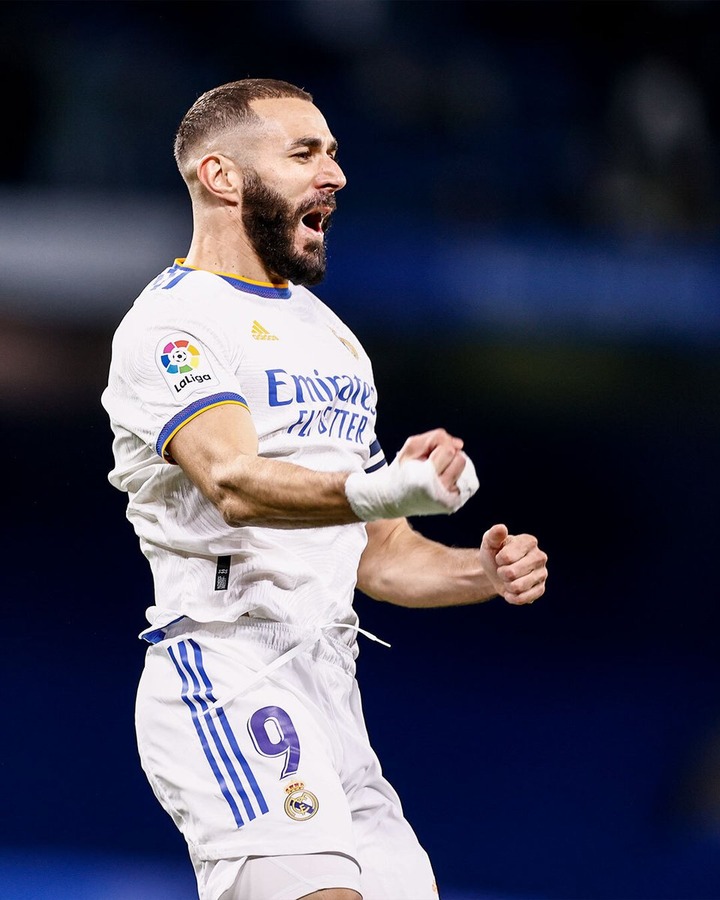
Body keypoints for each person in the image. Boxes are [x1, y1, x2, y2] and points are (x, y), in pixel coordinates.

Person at [101, 77, 548, 900]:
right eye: (304, 153)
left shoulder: (333, 338)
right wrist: (387, 488)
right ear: (222, 176)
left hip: (331, 684)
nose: (334, 174)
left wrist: (477, 572)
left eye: (334, 153)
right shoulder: (173, 324)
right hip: (227, 668)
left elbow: (376, 555)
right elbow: (233, 482)